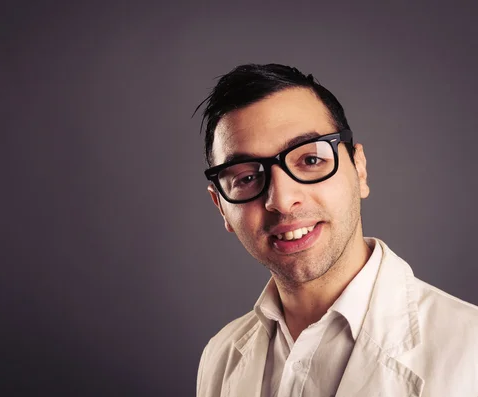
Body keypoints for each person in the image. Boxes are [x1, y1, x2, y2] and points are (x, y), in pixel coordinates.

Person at [195, 63, 478, 397]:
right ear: (221, 207)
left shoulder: (469, 351)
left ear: (359, 170)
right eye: (246, 178)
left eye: (310, 159)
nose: (283, 201)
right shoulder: (220, 355)